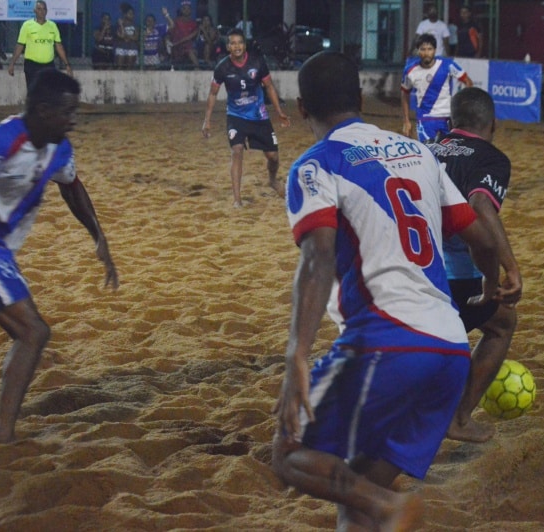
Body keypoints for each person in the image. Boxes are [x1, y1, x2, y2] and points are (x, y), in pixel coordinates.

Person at [272, 50, 500, 531]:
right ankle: (382, 509)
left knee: (290, 454)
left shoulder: (316, 164)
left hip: (386, 342)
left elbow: (316, 258)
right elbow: (477, 233)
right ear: (360, 98)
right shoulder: (418, 151)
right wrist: (493, 287)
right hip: (450, 352)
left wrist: (297, 352)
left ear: (300, 107)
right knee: (357, 494)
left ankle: (393, 509)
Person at [0, 70, 119, 444]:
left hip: (1, 252)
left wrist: (99, 236)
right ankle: (3, 437)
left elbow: (71, 187)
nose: (74, 120)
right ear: (44, 110)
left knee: (30, 332)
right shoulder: (2, 141)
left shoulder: (59, 147)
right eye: (68, 112)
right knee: (32, 331)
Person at [426, 87, 522, 443]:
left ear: (451, 123)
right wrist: (509, 268)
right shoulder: (491, 157)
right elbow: (481, 206)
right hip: (454, 277)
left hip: (408, 264)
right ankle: (459, 419)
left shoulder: (426, 149)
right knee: (502, 325)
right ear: (493, 124)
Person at [202, 29, 290, 206]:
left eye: (239, 42)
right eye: (232, 43)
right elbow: (213, 94)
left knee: (273, 156)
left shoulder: (257, 61)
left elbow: (269, 86)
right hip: (236, 116)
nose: (237, 46)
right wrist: (207, 120)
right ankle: (237, 200)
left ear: (244, 45)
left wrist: (279, 112)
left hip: (259, 115)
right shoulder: (222, 67)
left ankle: (272, 180)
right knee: (237, 150)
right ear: (228, 47)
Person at [401, 34, 473, 143]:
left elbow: (468, 82)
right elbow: (404, 93)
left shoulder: (447, 65)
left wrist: (461, 105)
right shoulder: (410, 70)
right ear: (418, 51)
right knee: (428, 152)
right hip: (425, 119)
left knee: (450, 153)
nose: (426, 53)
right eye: (423, 49)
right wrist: (406, 120)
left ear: (435, 50)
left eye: (429, 49)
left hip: (447, 118)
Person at [7, 1, 72, 88]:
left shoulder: (52, 26)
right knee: (33, 93)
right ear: (34, 11)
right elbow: (20, 45)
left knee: (49, 92)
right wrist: (12, 63)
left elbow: (59, 46)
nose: (42, 11)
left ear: (47, 11)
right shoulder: (27, 26)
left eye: (44, 9)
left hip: (49, 65)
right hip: (32, 65)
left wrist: (67, 64)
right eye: (39, 9)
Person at [165, 0, 199, 69]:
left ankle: (198, 70)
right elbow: (168, 34)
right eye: (184, 8)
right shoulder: (175, 21)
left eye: (188, 8)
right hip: (175, 48)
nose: (186, 10)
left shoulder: (194, 24)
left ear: (191, 10)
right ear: (181, 10)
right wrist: (168, 42)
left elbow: (189, 37)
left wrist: (176, 43)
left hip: (187, 48)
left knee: (191, 51)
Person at [114, 3, 139, 70]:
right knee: (120, 67)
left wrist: (127, 37)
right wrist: (122, 25)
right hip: (121, 47)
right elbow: (121, 36)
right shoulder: (119, 24)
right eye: (130, 13)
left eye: (133, 14)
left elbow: (136, 37)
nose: (132, 15)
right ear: (125, 14)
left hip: (132, 47)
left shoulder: (134, 25)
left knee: (129, 68)